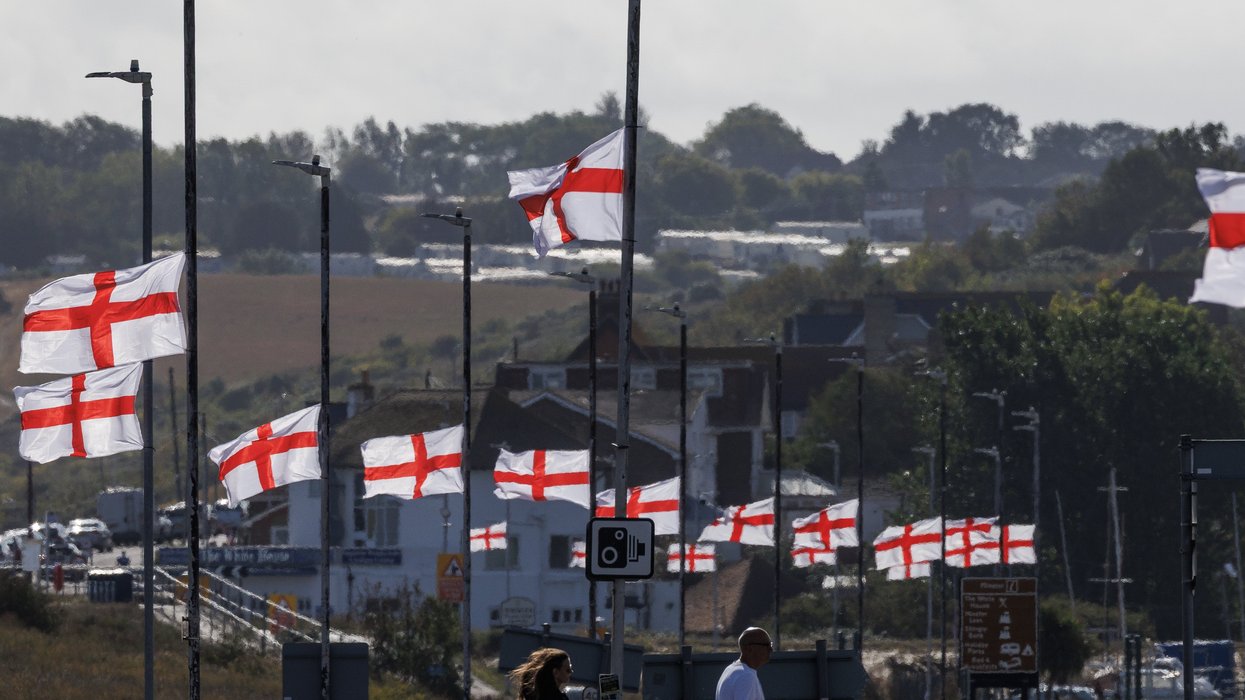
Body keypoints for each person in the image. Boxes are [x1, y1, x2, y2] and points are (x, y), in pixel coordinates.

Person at [716, 626, 771, 700]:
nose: (771, 649)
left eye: (771, 645)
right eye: (766, 645)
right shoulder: (746, 676)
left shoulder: (730, 670)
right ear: (749, 648)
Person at [508, 647, 573, 700]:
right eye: (568, 670)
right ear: (555, 672)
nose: (571, 672)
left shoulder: (533, 695)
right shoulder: (558, 698)